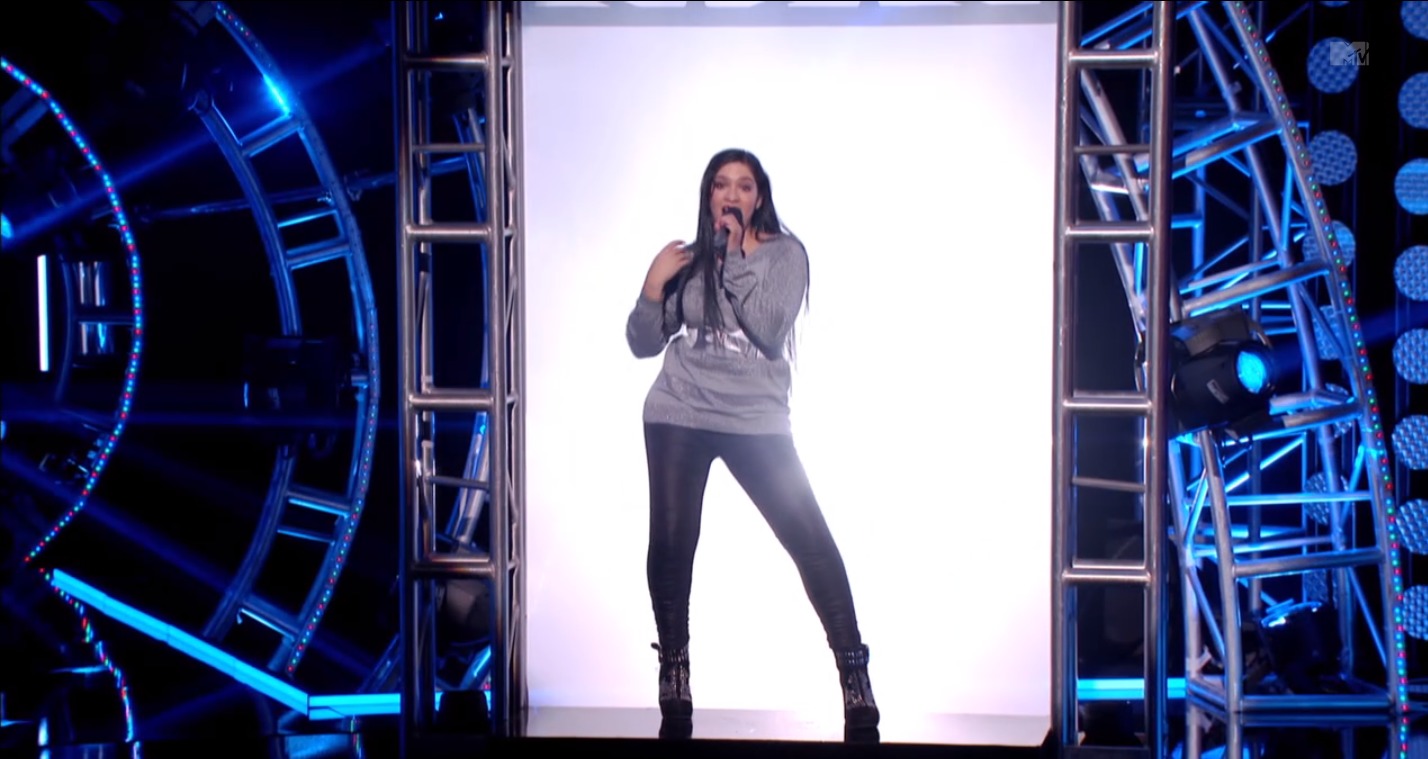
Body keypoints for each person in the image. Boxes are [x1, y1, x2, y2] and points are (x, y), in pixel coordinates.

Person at [624, 148, 879, 741]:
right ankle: (674, 669)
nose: (731, 195)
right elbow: (643, 343)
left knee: (809, 540)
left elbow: (766, 328)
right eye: (721, 185)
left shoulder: (786, 256)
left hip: (757, 419)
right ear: (709, 196)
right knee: (671, 544)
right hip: (679, 410)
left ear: (758, 196)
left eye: (743, 185)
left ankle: (854, 672)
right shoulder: (689, 260)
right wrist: (652, 286)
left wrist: (734, 257)